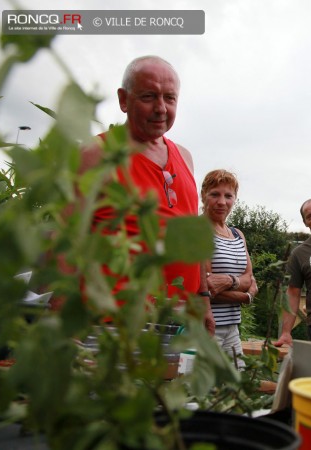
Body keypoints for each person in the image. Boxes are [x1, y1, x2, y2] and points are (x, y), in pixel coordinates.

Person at [77, 55, 215, 334]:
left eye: (170, 98)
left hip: (179, 322)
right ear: (124, 99)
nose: (161, 108)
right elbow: (67, 238)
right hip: (114, 324)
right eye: (149, 96)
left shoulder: (184, 157)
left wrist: (203, 298)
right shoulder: (97, 154)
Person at [201, 169, 258, 368]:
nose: (222, 202)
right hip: (207, 327)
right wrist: (246, 296)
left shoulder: (237, 234)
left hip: (232, 326)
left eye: (228, 195)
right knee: (206, 392)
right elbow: (206, 288)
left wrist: (228, 281)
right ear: (203, 195)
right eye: (214, 194)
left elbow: (249, 278)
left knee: (236, 387)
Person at [273, 199, 311, 347]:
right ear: (305, 222)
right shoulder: (299, 254)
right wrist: (286, 332)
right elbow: (293, 293)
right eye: (309, 216)